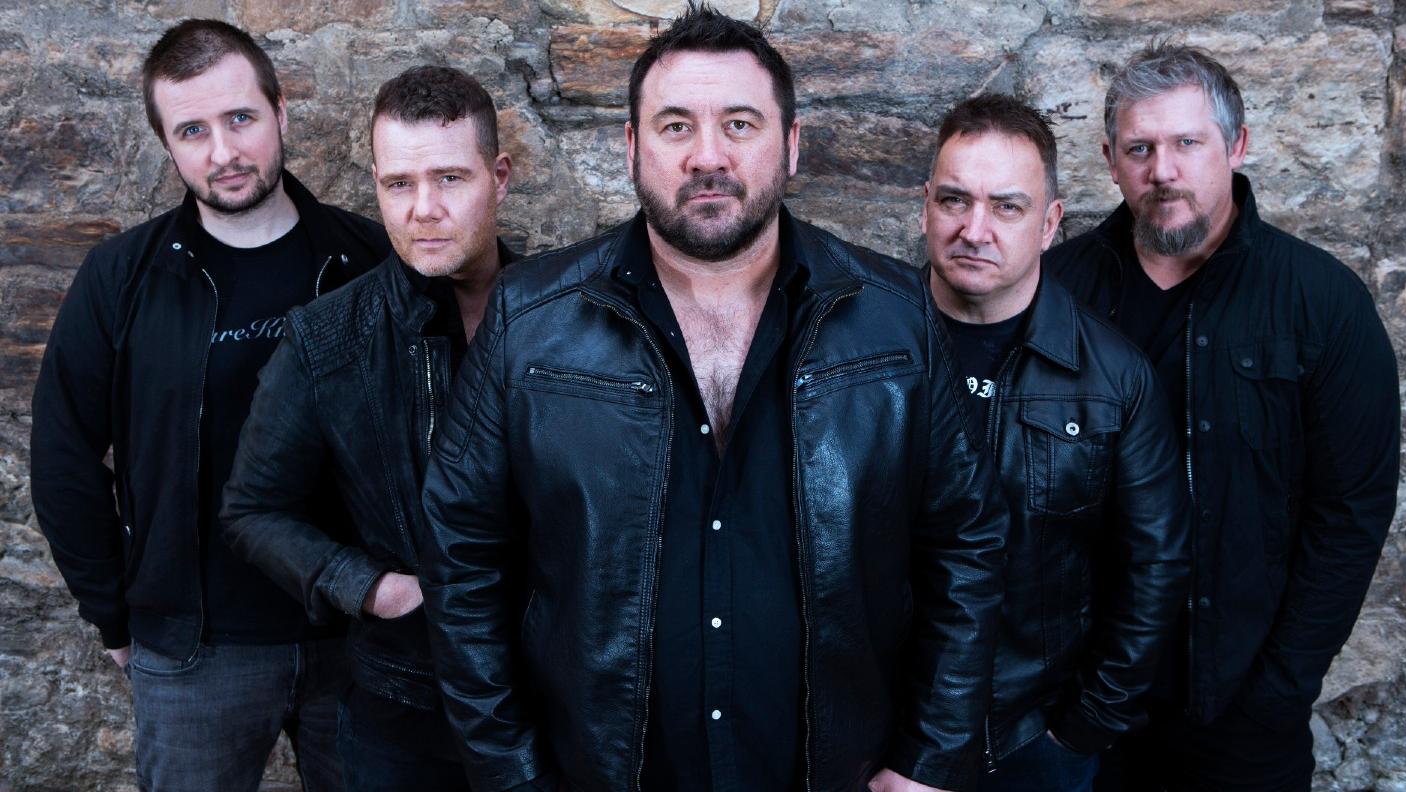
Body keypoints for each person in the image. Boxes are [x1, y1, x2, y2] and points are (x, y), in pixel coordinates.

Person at [415, 6, 1010, 792]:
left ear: (791, 145)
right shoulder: (529, 319)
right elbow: (462, 557)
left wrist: (928, 757)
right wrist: (509, 774)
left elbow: (965, 544)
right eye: (673, 126)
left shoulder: (897, 318)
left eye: (739, 123)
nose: (707, 156)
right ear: (630, 147)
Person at [29, 19, 389, 791]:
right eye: (193, 130)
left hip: (358, 638)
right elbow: (62, 454)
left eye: (240, 119)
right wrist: (113, 616)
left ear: (280, 114)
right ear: (168, 144)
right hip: (193, 654)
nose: (223, 152)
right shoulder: (121, 278)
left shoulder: (369, 260)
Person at [1045, 43, 1401, 791]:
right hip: (1073, 704)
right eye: (1139, 148)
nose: (1163, 170)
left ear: (1236, 147)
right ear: (1110, 161)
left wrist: (1280, 689)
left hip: (1241, 715)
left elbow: (1351, 512)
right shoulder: (1053, 294)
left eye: (1186, 143)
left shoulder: (1322, 303)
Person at [220, 65, 514, 791]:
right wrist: (370, 586)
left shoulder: (567, 314)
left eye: (449, 178)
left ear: (498, 177)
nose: (423, 209)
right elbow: (253, 509)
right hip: (399, 710)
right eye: (398, 185)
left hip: (550, 696)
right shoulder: (329, 338)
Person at [921, 93, 1190, 792]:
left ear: (1049, 225)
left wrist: (1079, 731)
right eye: (955, 201)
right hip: (878, 729)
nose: (974, 229)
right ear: (926, 206)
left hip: (1029, 739)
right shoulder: (858, 347)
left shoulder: (1115, 377)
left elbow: (1155, 567)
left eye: (1006, 207)